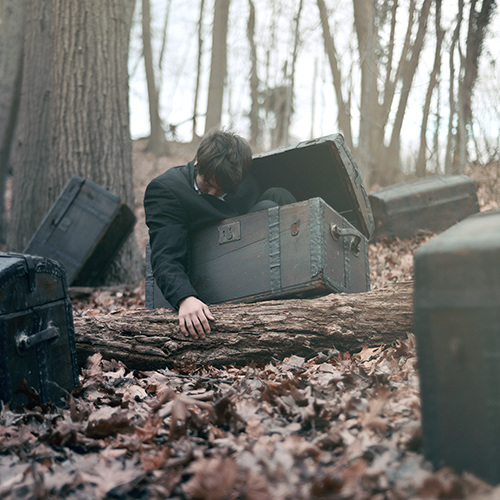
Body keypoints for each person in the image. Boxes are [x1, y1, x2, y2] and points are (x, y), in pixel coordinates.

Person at [144, 129, 295, 340]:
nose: (214, 194)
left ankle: (296, 284)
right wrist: (184, 298)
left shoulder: (240, 180)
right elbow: (164, 255)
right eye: (208, 185)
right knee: (270, 205)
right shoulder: (166, 190)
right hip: (208, 267)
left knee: (278, 195)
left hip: (247, 258)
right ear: (197, 161)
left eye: (222, 190)